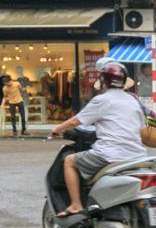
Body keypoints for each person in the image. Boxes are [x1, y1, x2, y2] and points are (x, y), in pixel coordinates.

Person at [49, 63, 146, 217]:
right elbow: (142, 128)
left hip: (110, 154)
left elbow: (75, 121)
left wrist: (57, 129)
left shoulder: (101, 100)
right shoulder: (133, 101)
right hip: (137, 155)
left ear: (103, 81)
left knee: (69, 161)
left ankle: (75, 205)